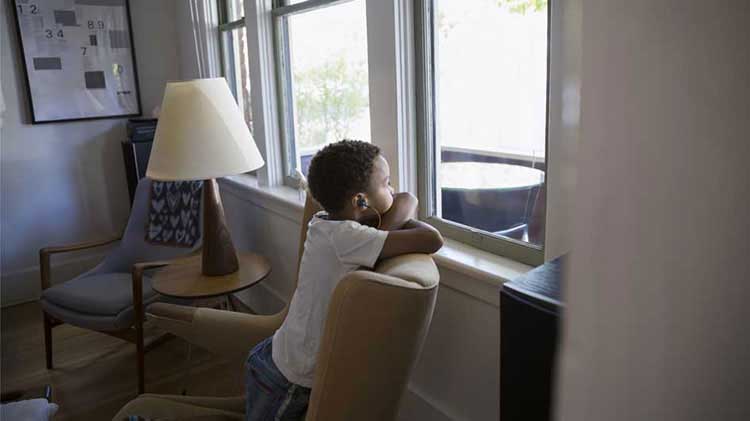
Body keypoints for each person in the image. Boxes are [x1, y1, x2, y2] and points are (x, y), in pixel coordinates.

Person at [244, 140, 443, 420]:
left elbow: (400, 202)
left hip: (280, 353)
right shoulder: (347, 239)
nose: (393, 190)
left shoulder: (323, 222)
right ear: (360, 201)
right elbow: (432, 237)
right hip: (290, 377)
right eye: (387, 183)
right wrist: (398, 215)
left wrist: (383, 216)